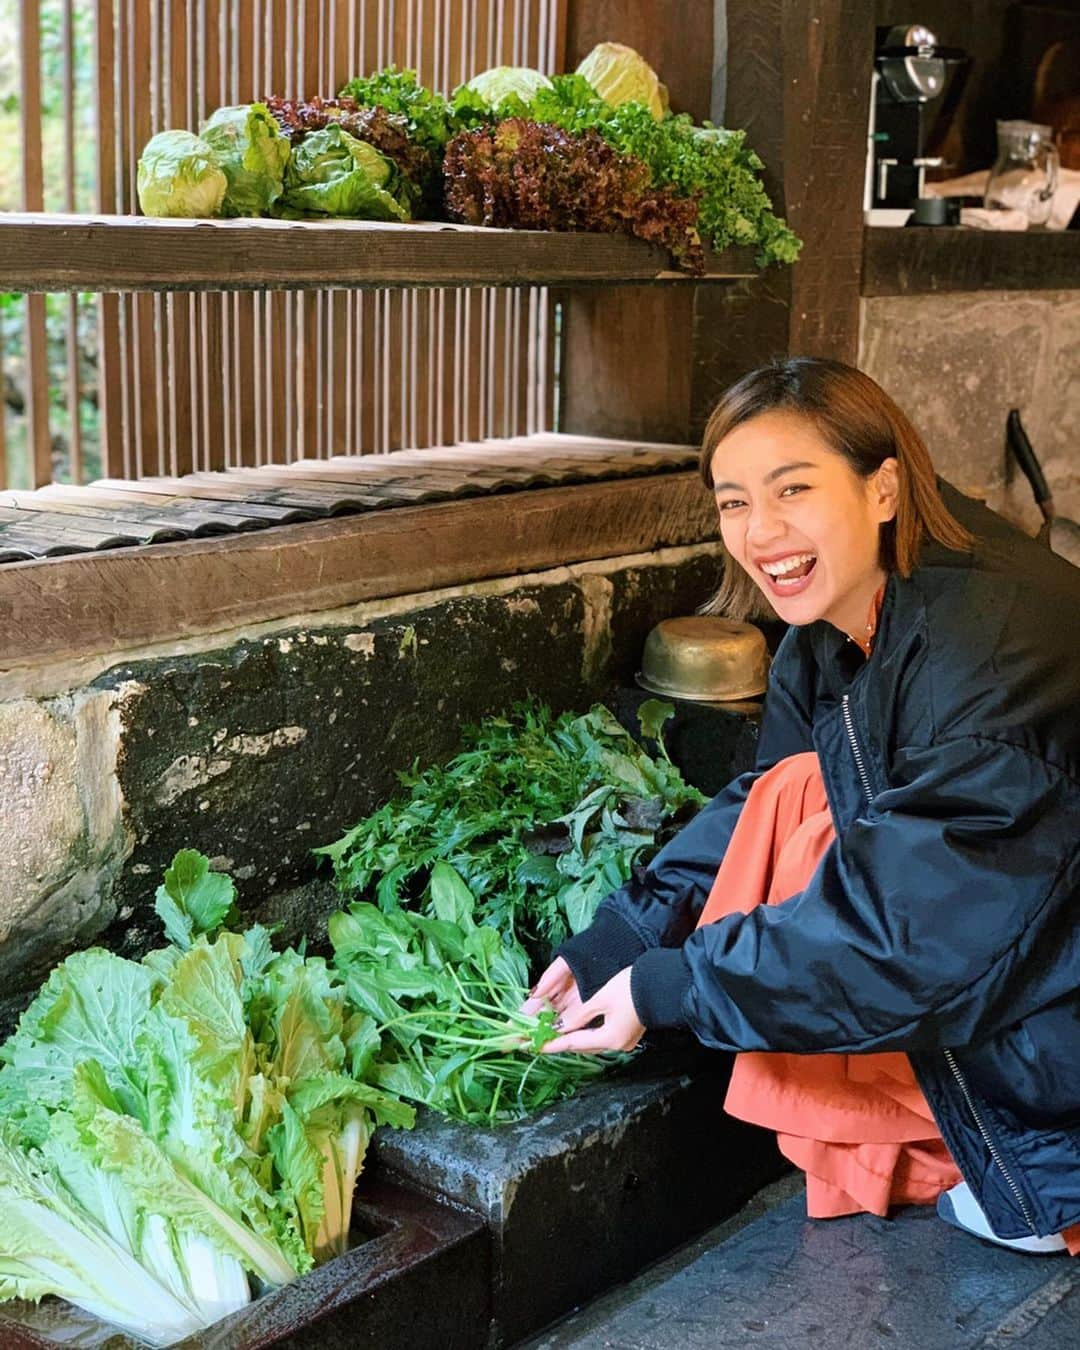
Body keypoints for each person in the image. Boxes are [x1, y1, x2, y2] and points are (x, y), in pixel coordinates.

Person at [523, 357, 1080, 1255]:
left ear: (884, 486)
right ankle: (970, 1140)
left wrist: (671, 988)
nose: (761, 532)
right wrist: (627, 935)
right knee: (798, 793)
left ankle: (1045, 1172)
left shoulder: (983, 651)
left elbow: (902, 935)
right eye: (734, 501)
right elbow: (765, 793)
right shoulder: (848, 609)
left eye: (794, 489)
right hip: (1011, 931)